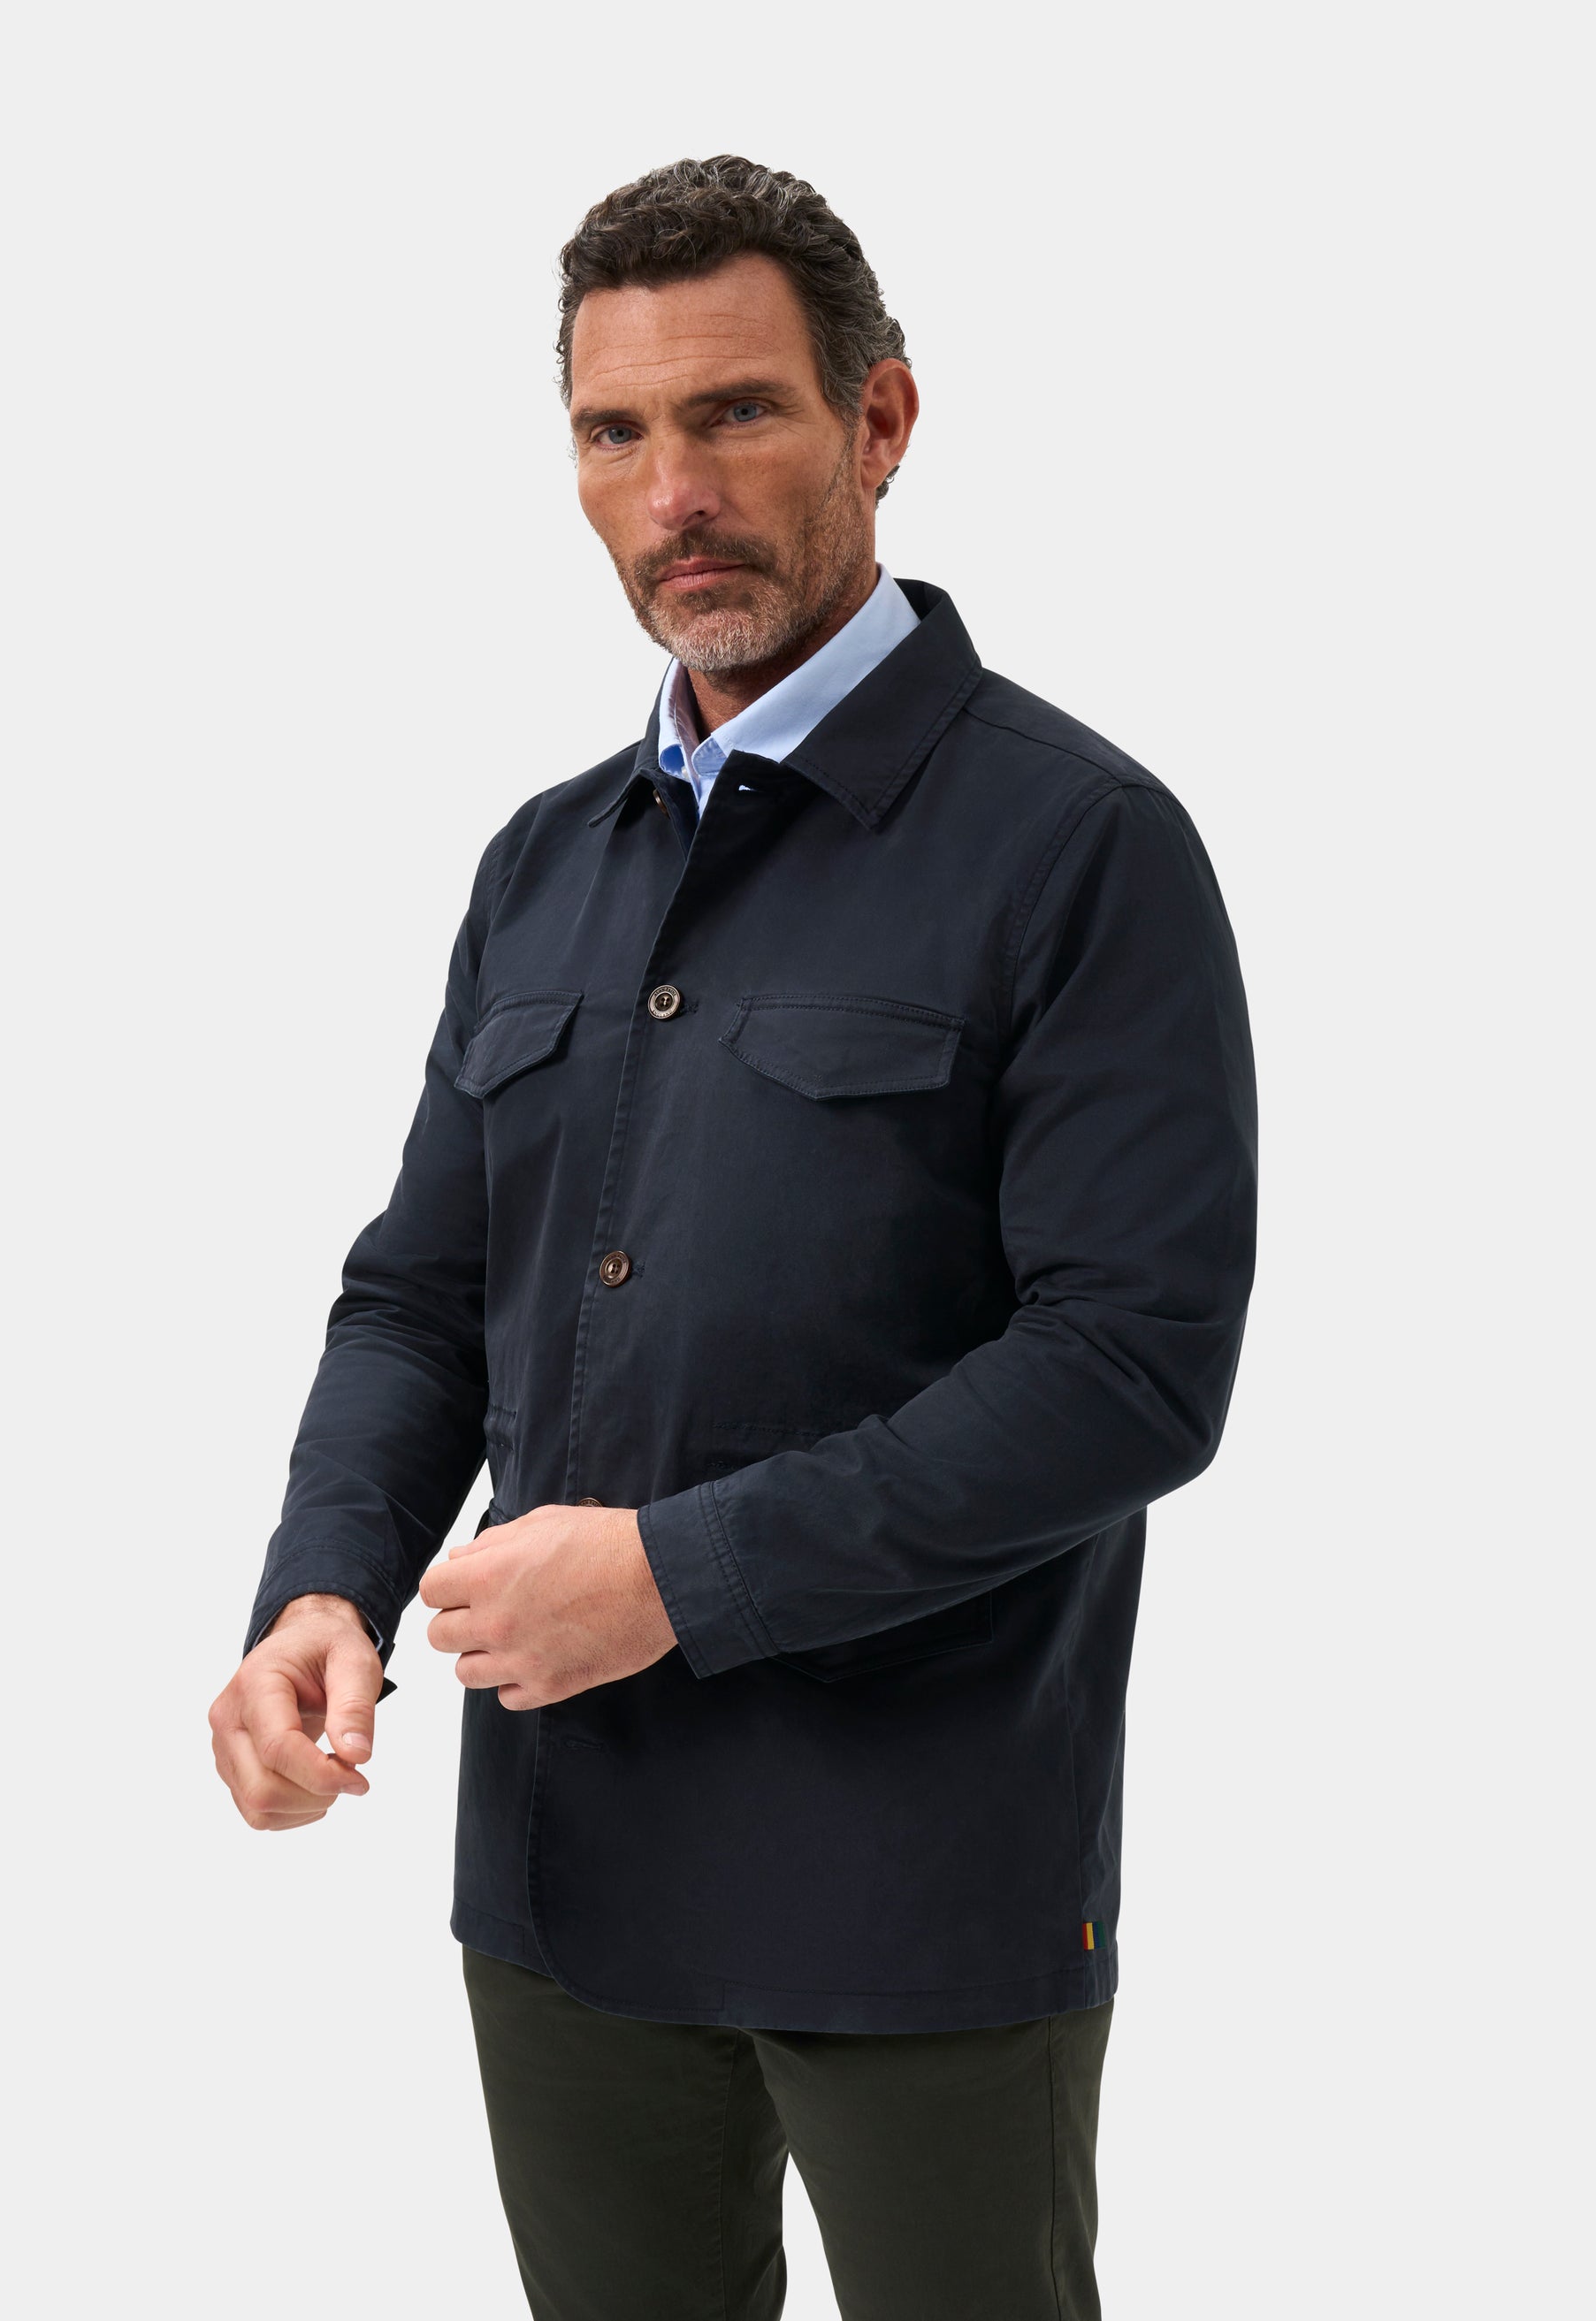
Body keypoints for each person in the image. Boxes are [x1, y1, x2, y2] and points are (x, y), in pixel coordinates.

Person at [209, 153, 1257, 2321]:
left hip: (918, 1880)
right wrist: (321, 1583)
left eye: (736, 413)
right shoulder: (541, 865)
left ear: (880, 417)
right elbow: (421, 1294)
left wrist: (678, 1576)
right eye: (614, 432)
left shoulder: (1078, 845)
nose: (672, 491)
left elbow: (1128, 1367)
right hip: (562, 1881)